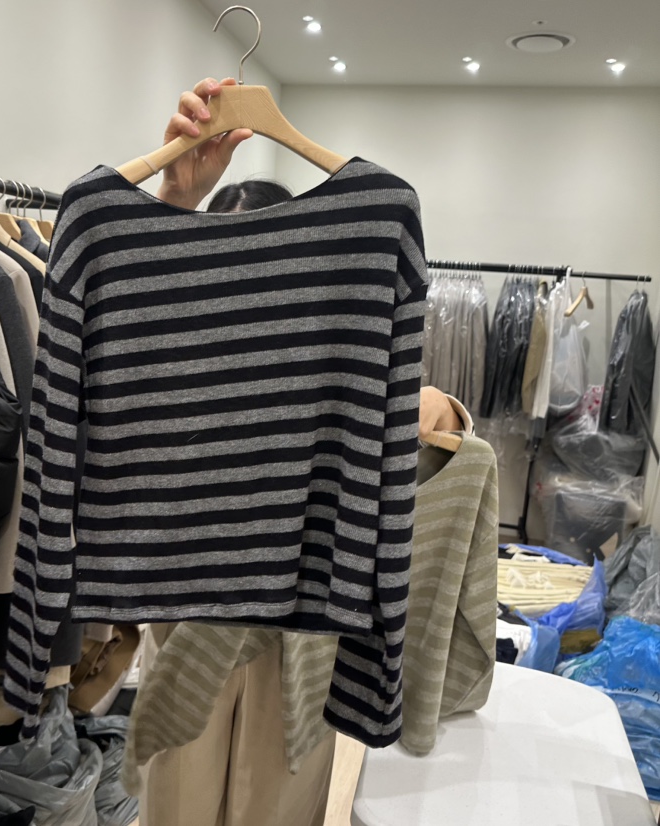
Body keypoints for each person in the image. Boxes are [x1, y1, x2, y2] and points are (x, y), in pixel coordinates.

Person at [130, 77, 472, 826]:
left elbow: (425, 445)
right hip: (190, 629)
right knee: (178, 803)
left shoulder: (327, 349)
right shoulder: (178, 343)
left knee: (277, 803)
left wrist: (445, 413)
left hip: (302, 635)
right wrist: (176, 200)